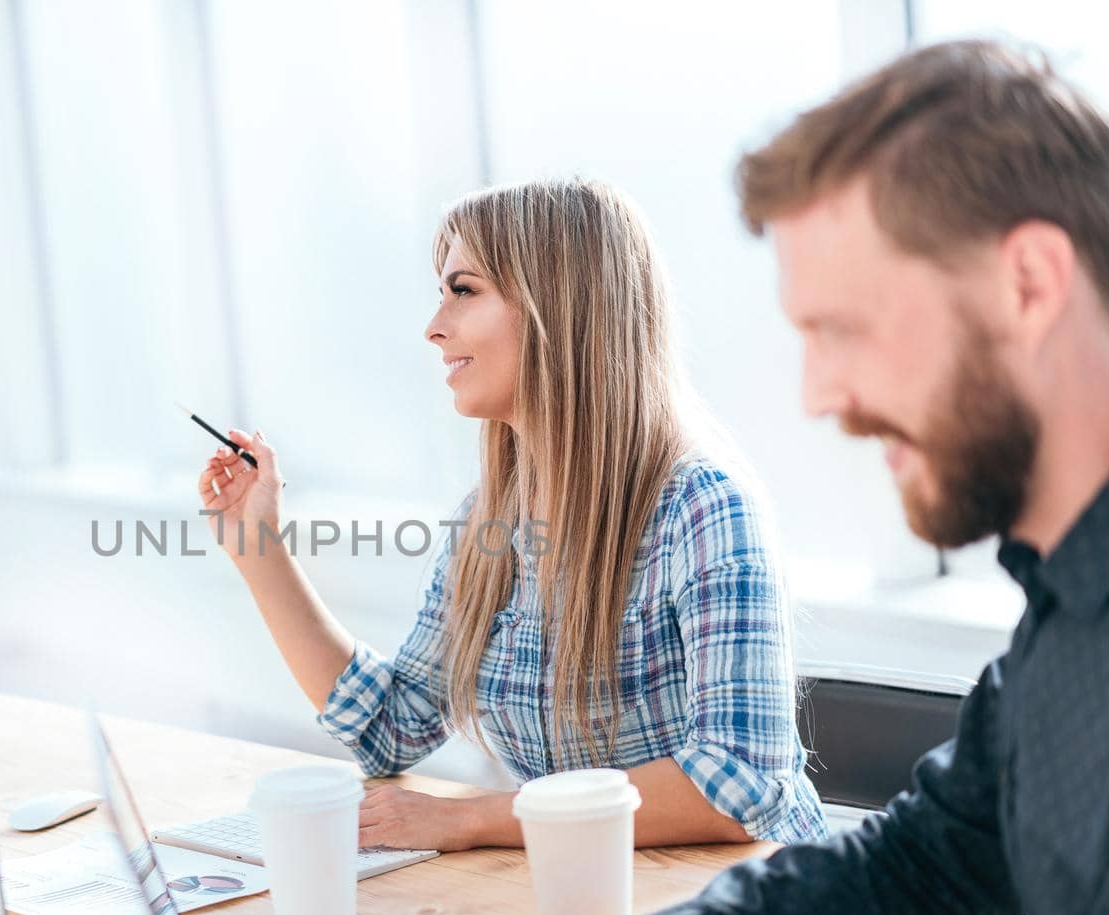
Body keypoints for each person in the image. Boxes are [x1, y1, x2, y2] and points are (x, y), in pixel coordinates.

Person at [343, 39, 1109, 915]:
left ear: (1027, 281)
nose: (818, 396)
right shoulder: (1068, 607)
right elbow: (923, 868)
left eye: (847, 327)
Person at [197, 178, 826, 852]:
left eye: (462, 291)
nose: (434, 327)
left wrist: (472, 820)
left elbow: (738, 787)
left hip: (745, 908)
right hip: (589, 891)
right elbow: (391, 726)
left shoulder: (703, 507)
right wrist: (259, 550)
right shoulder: (489, 524)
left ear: (558, 307)